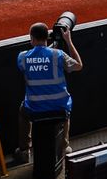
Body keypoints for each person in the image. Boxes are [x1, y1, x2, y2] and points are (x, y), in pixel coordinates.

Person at [15, 21, 83, 164]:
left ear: (32, 38)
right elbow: (78, 65)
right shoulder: (58, 55)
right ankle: (64, 147)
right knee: (66, 106)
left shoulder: (23, 57)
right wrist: (68, 41)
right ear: (47, 37)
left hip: (34, 110)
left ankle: (25, 151)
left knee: (22, 110)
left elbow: (38, 56)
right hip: (59, 109)